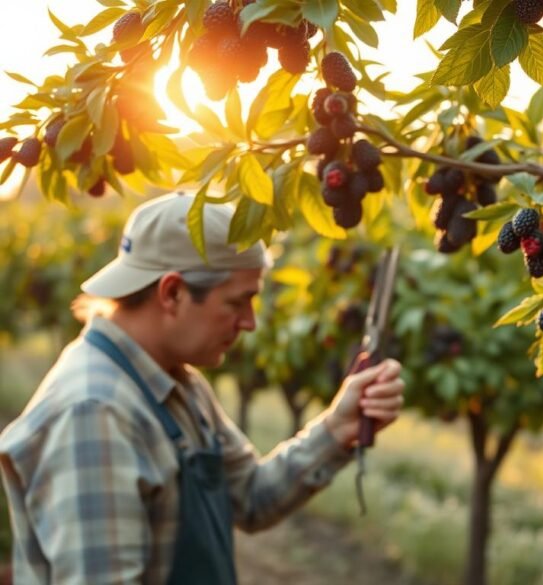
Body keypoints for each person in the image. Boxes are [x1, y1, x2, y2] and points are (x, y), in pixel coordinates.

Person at [0, 192, 405, 584]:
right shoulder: (96, 415)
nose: (250, 323)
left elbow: (250, 496)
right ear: (173, 292)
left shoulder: (174, 381)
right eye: (237, 302)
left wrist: (337, 427)